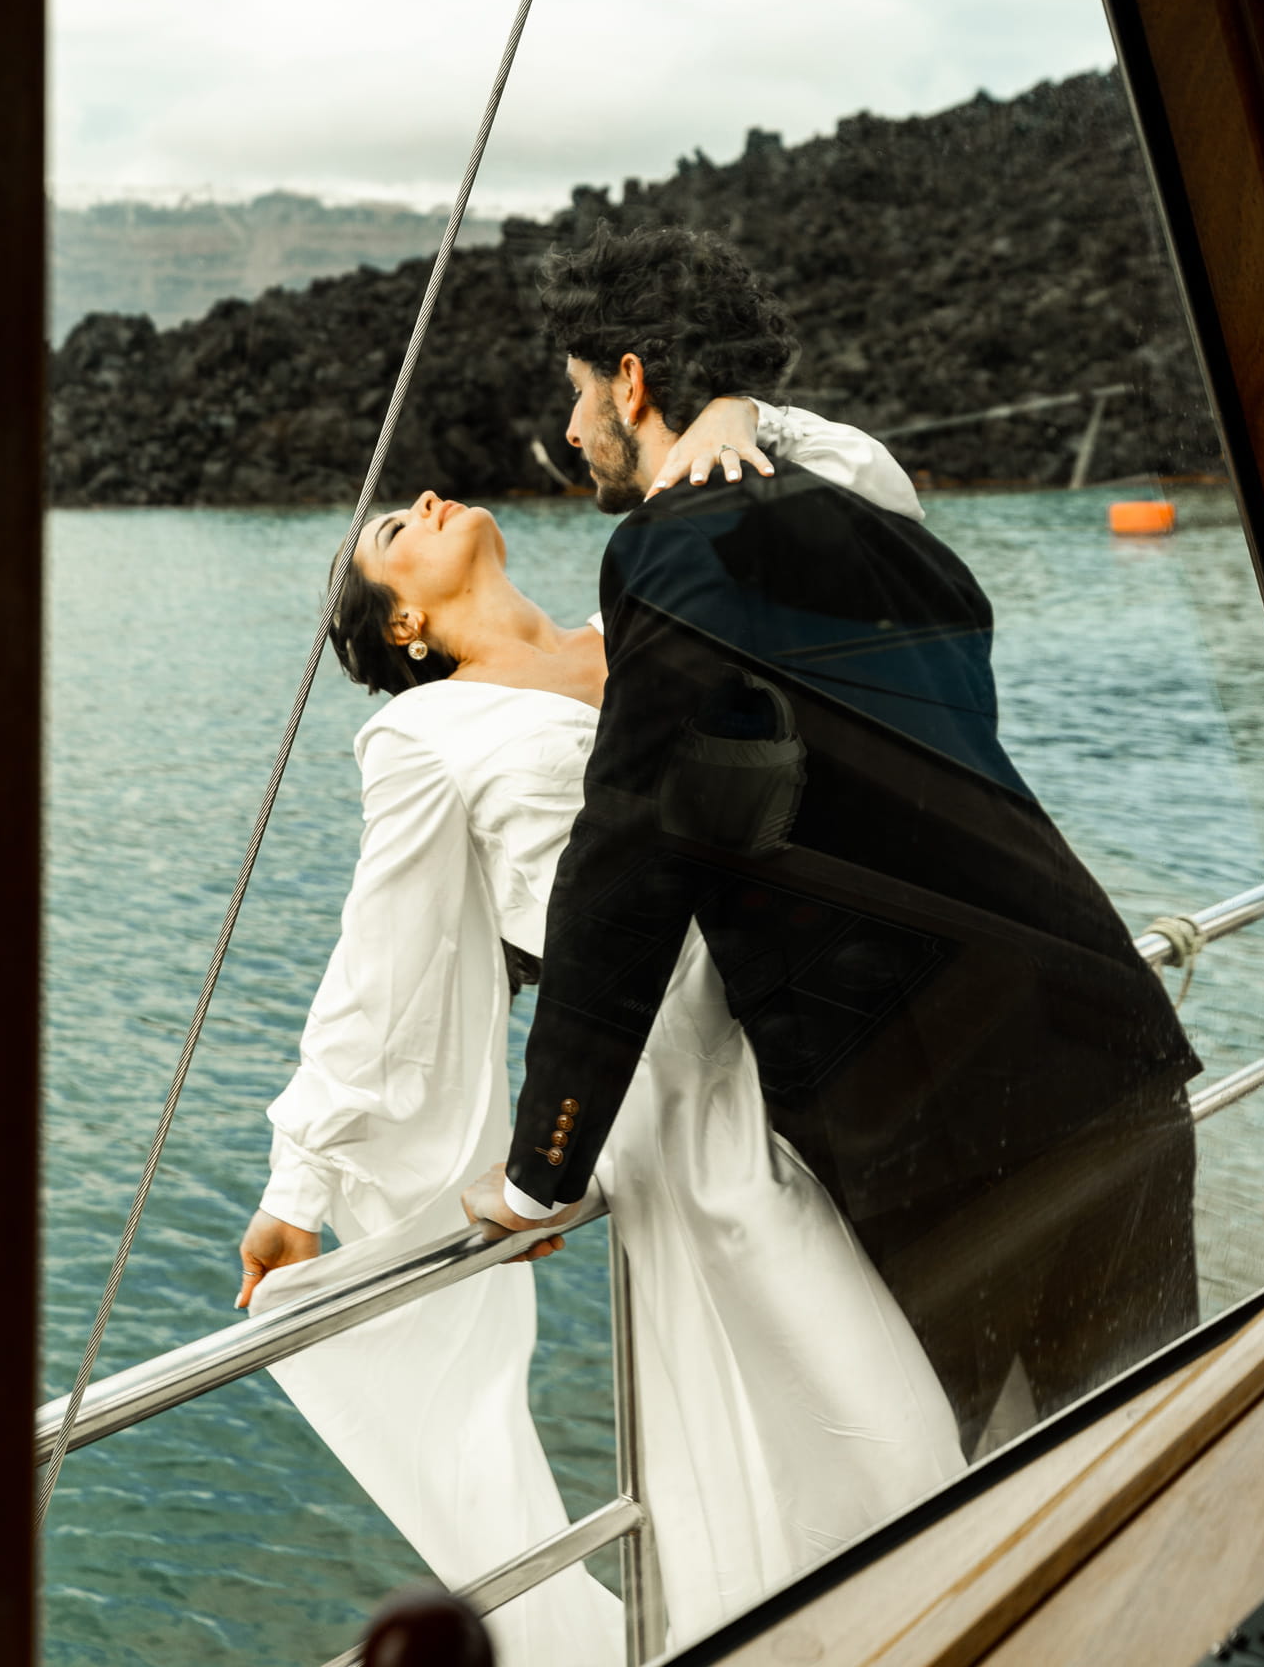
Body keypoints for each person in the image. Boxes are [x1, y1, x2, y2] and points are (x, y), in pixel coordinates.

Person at [236, 393, 965, 1661]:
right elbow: (382, 967)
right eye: (396, 531)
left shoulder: (633, 621)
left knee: (933, 1371)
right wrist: (300, 1183)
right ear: (402, 625)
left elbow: (884, 516)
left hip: (837, 1036)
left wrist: (748, 416)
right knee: (879, 1431)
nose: (424, 501)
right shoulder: (420, 734)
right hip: (684, 1101)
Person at [466, 226, 1202, 1454]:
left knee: (986, 1496)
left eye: (579, 389)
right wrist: (746, 408)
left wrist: (543, 1165)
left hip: (946, 1120)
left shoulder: (665, 547)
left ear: (631, 382)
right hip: (1111, 1045)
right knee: (1158, 1457)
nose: (574, 423)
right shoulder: (889, 530)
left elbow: (631, 861)